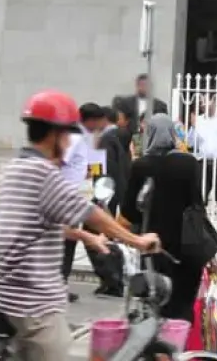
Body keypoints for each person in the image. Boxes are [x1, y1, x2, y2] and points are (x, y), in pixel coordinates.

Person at [0, 90, 159, 361]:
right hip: (32, 300)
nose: (70, 141)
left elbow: (37, 225)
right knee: (58, 349)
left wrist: (86, 237)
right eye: (67, 135)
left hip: (8, 291)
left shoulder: (17, 168)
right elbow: (90, 212)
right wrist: (137, 240)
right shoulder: (43, 173)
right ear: (53, 134)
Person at [120, 114, 213, 321]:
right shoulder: (189, 163)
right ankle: (180, 337)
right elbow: (197, 204)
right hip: (187, 245)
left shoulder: (141, 166)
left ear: (149, 134)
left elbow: (129, 212)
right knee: (183, 305)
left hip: (154, 246)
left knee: (155, 304)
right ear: (172, 133)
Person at [78, 103, 127, 298]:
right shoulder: (115, 136)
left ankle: (112, 280)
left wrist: (103, 202)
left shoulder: (105, 139)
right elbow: (97, 169)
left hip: (106, 195)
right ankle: (112, 280)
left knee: (95, 234)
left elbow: (104, 173)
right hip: (112, 194)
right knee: (105, 235)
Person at [112, 75, 167, 140]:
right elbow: (119, 121)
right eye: (141, 85)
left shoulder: (160, 105)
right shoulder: (125, 103)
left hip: (152, 139)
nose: (143, 87)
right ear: (137, 86)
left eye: (146, 85)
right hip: (128, 138)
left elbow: (163, 125)